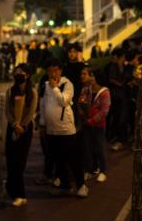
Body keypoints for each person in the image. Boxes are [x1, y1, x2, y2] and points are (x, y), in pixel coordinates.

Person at [38, 59, 87, 198]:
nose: (52, 73)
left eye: (55, 70)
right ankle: (65, 185)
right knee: (58, 159)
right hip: (51, 130)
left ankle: (81, 185)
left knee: (73, 158)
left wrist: (54, 88)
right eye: (49, 71)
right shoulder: (45, 85)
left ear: (60, 71)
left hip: (66, 129)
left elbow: (64, 101)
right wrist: (42, 123)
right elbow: (42, 106)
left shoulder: (67, 84)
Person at [4, 64, 38, 207]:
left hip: (25, 129)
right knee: (11, 160)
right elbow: (7, 111)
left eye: (21, 73)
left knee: (20, 162)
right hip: (12, 128)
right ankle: (15, 193)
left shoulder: (33, 92)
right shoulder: (9, 91)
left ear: (27, 75)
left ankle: (19, 194)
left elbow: (31, 112)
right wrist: (14, 125)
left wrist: (22, 126)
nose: (18, 75)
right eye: (16, 72)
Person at [78, 67, 110, 183]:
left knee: (100, 148)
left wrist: (91, 120)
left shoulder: (105, 92)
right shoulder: (86, 90)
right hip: (86, 124)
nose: (89, 78)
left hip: (98, 125)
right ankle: (89, 170)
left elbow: (104, 111)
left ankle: (103, 171)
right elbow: (80, 102)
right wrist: (81, 113)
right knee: (87, 148)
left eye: (92, 76)